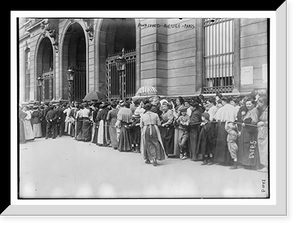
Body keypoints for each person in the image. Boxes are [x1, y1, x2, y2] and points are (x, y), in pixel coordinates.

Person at [140, 101, 166, 166]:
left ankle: (149, 158)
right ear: (151, 108)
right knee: (156, 142)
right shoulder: (155, 115)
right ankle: (156, 158)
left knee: (147, 143)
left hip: (146, 129)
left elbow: (141, 125)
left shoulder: (143, 115)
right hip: (154, 128)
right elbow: (159, 124)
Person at [213, 96, 237, 166]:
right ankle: (231, 160)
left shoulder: (222, 109)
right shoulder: (233, 108)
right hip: (232, 126)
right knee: (231, 143)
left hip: (223, 126)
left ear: (223, 101)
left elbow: (216, 118)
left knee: (222, 142)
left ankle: (223, 159)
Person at [237, 98, 260, 169]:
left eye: (250, 104)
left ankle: (250, 164)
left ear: (253, 104)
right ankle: (247, 163)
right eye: (247, 104)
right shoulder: (250, 110)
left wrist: (246, 123)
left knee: (250, 146)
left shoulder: (253, 111)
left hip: (250, 131)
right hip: (246, 131)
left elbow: (255, 121)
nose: (248, 105)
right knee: (246, 146)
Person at [256, 95, 268, 173]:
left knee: (265, 148)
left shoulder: (266, 110)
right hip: (263, 130)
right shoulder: (263, 109)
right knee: (263, 147)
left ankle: (266, 166)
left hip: (265, 130)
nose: (258, 104)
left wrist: (263, 123)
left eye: (259, 102)